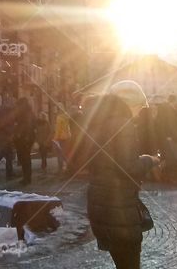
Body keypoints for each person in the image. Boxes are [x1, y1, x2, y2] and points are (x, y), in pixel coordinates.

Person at [85, 90, 150, 269]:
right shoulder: (123, 124)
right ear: (129, 104)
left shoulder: (97, 125)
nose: (139, 112)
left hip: (99, 202)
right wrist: (149, 160)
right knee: (129, 262)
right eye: (139, 107)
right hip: (118, 206)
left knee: (121, 261)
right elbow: (128, 166)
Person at [13, 97, 35, 185]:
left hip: (25, 138)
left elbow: (27, 125)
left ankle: (27, 178)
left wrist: (22, 135)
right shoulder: (27, 112)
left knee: (25, 158)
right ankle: (26, 177)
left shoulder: (26, 113)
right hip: (24, 138)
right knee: (24, 158)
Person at [52, 107, 72, 173]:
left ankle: (60, 169)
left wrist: (55, 138)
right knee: (66, 153)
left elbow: (58, 129)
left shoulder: (59, 117)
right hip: (68, 137)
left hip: (61, 138)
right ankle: (69, 167)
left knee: (60, 154)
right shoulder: (67, 116)